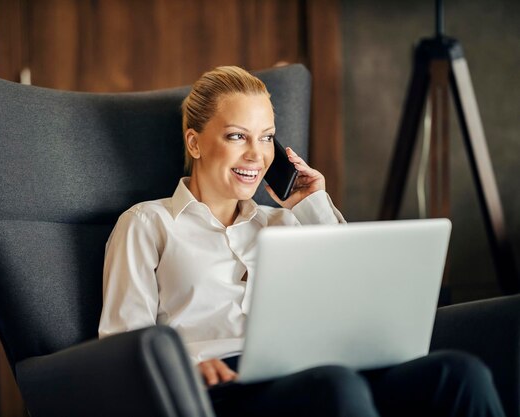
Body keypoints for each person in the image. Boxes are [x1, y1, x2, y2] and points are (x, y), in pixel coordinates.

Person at [98, 66, 506, 417]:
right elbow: (120, 344)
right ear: (195, 142)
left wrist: (313, 205)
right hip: (219, 388)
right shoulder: (146, 224)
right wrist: (186, 367)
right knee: (335, 387)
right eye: (238, 136)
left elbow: (362, 299)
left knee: (459, 374)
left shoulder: (286, 224)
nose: (257, 156)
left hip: (319, 370)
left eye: (266, 137)